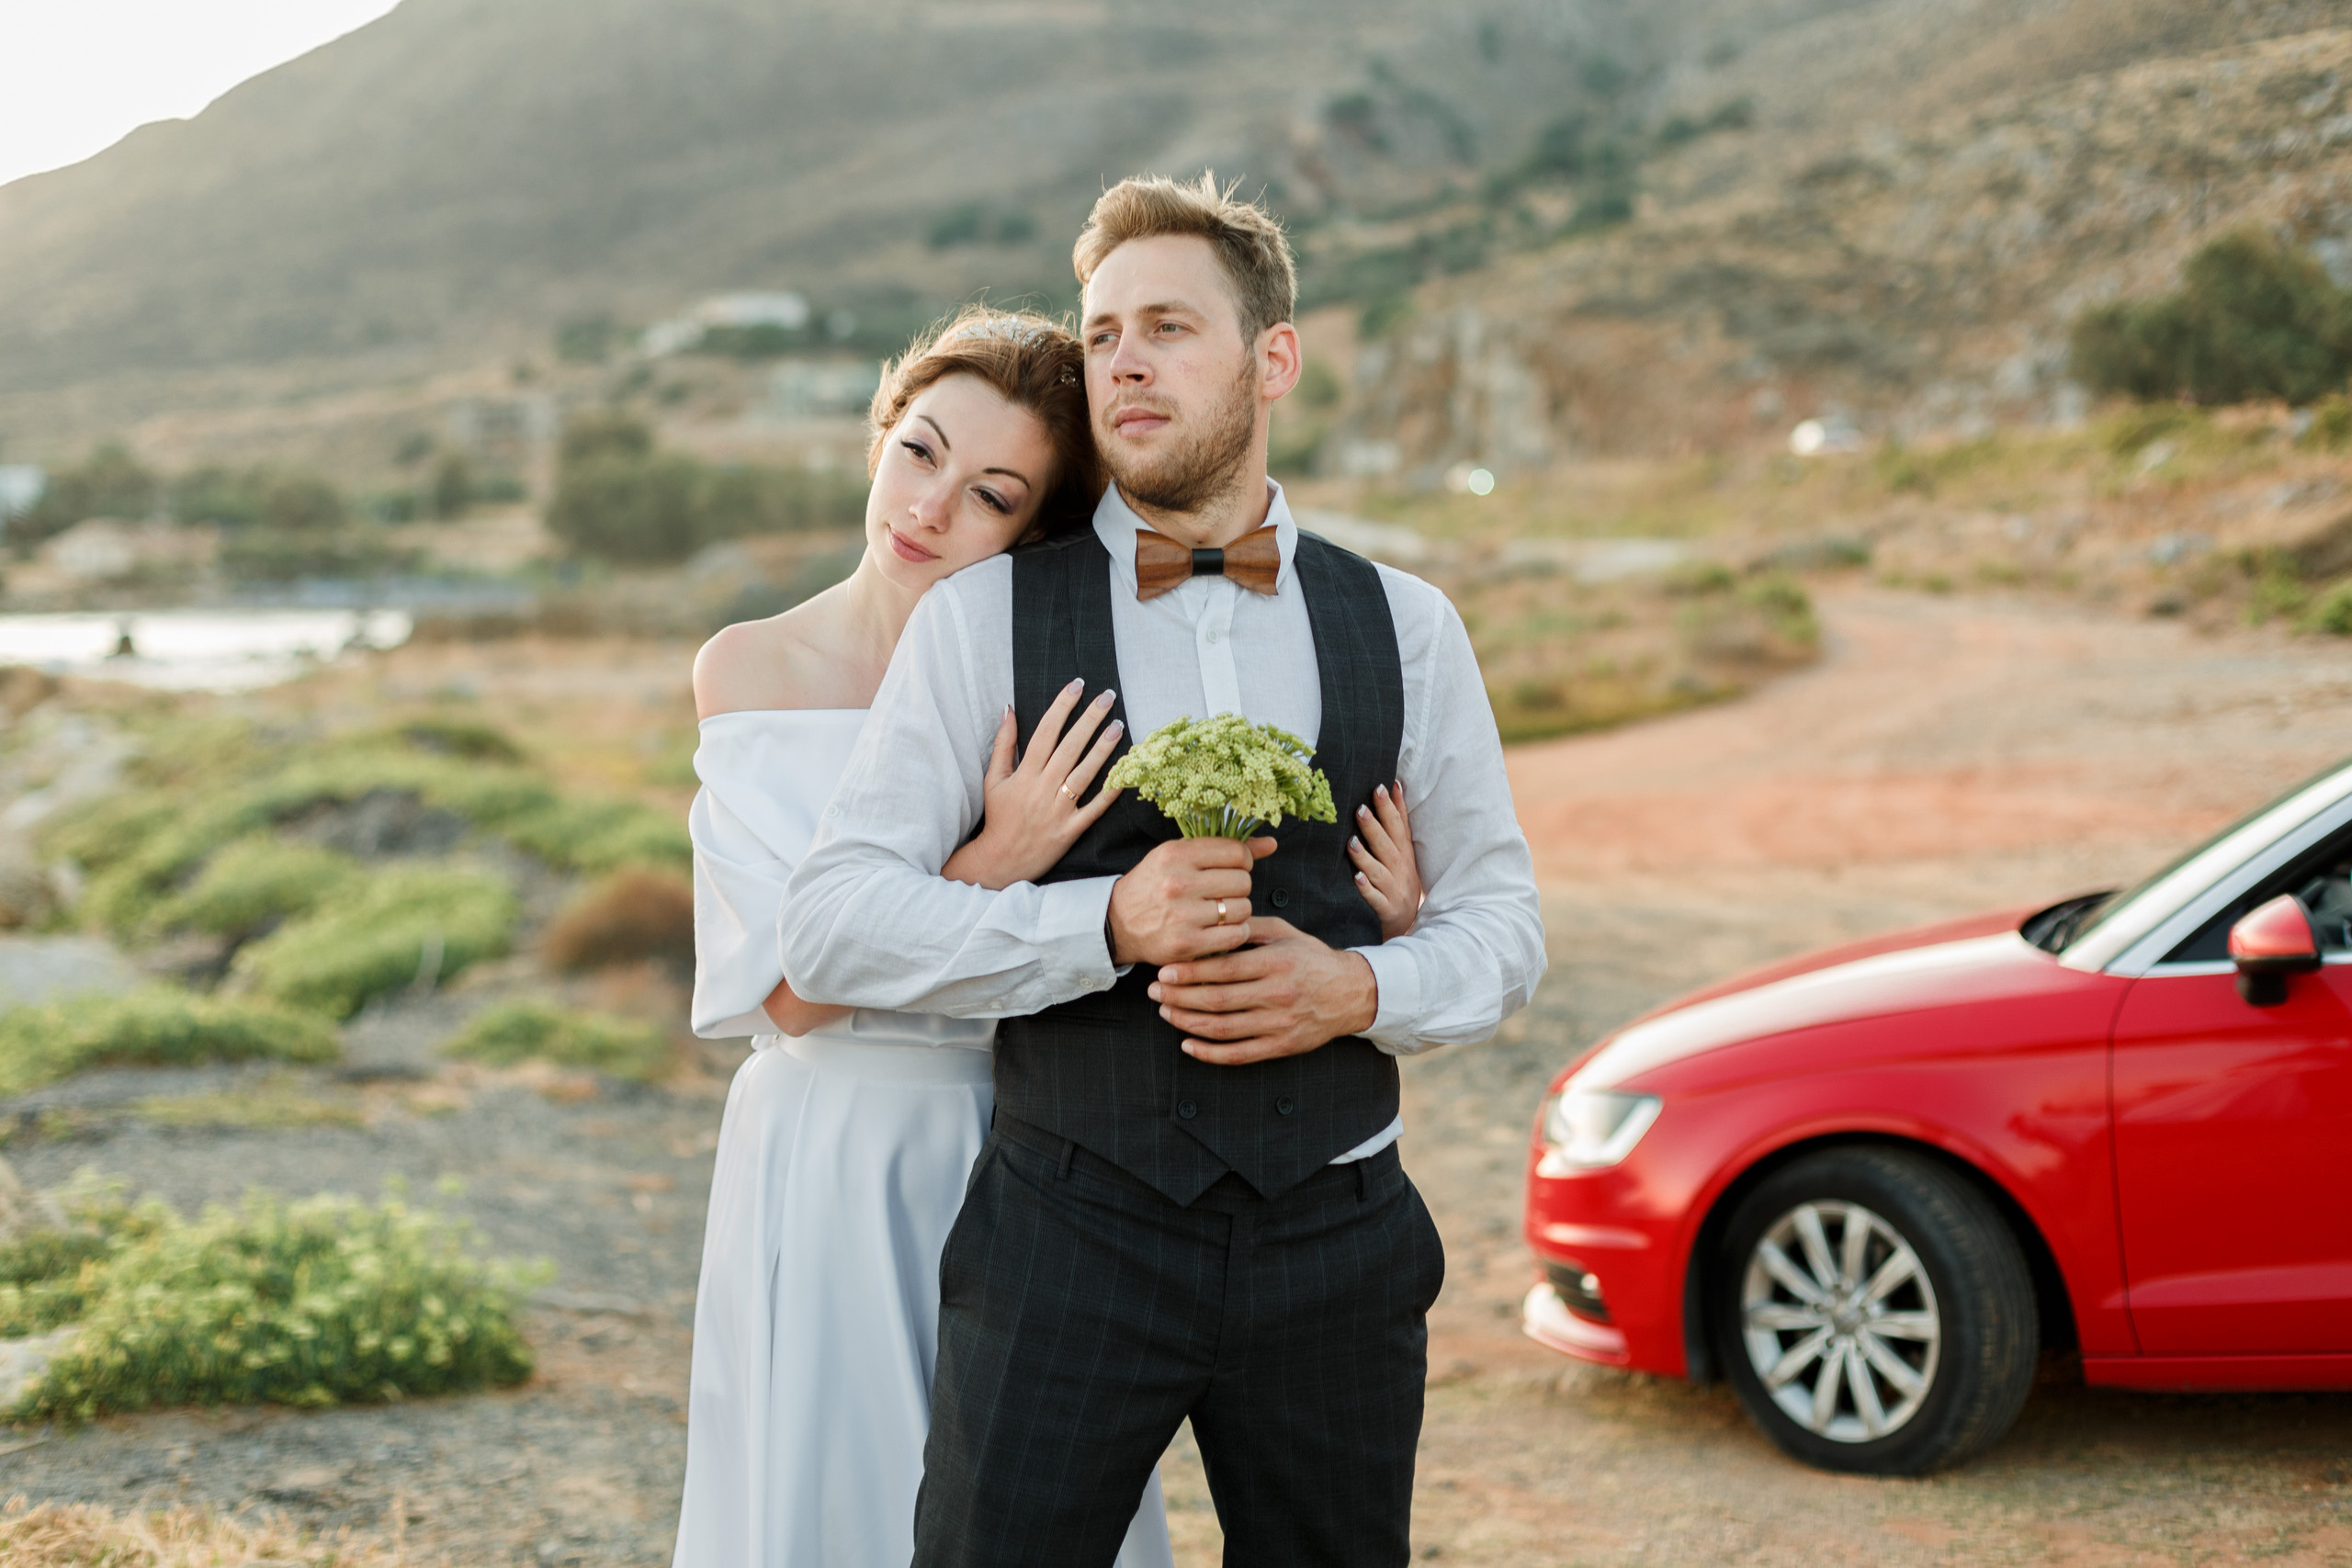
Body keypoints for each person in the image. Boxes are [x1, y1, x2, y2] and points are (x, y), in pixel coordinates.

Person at [779, 176, 1546, 1568]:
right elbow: (831, 927)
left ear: (1273, 360)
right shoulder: (982, 619)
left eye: (1169, 327)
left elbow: (1505, 925)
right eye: (1103, 332)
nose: (1123, 360)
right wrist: (1107, 921)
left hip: (1341, 1241)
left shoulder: (1413, 627)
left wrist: (1359, 988)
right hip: (1063, 1239)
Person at [673, 304, 1430, 1566]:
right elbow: (794, 993)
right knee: (836, 1489)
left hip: (1040, 1135)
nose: (929, 508)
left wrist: (1378, 928)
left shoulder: (1046, 681)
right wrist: (993, 858)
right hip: (837, 1144)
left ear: (1037, 528)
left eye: (990, 495)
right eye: (918, 453)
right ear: (878, 435)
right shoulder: (751, 666)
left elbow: (1172, 905)